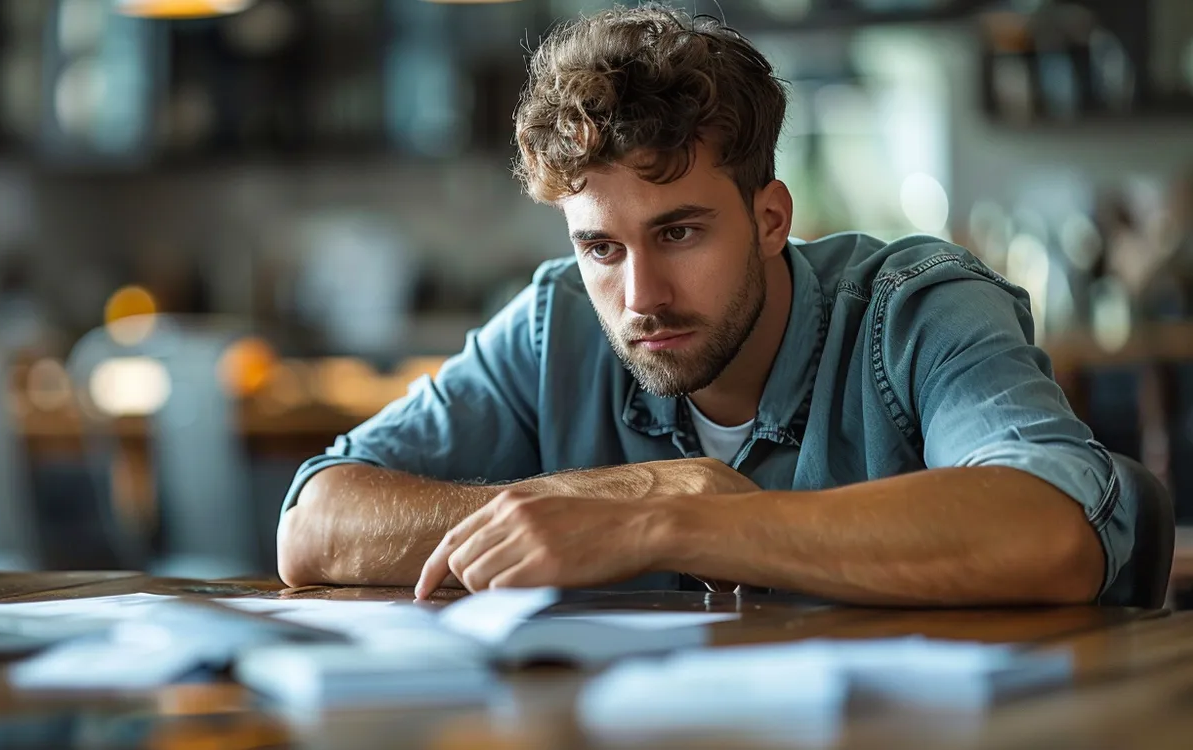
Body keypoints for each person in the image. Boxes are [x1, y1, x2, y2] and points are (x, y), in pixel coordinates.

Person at [275, 5, 1136, 606]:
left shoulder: (917, 310)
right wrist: (646, 491)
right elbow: (313, 525)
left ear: (770, 218)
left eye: (680, 233)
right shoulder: (556, 323)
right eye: (601, 248)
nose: (640, 297)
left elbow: (1053, 530)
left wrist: (666, 527)